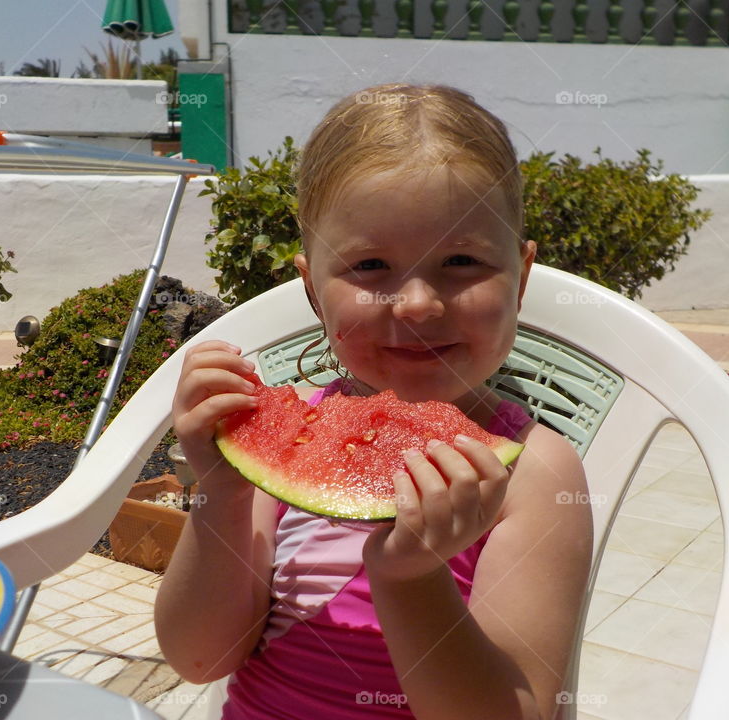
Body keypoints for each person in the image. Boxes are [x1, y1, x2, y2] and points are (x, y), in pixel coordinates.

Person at [155, 83, 593, 720]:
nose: (416, 303)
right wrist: (219, 497)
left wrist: (410, 578)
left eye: (462, 260)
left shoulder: (535, 474)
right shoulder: (288, 442)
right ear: (313, 290)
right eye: (369, 268)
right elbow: (198, 660)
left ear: (520, 279)